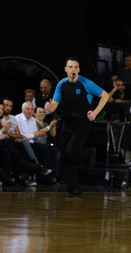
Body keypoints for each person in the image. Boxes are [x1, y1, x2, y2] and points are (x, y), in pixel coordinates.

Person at [45, 56, 109, 197]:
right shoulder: (61, 84)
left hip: (82, 123)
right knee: (64, 155)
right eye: (70, 67)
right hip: (67, 123)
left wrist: (95, 113)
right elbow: (54, 105)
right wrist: (49, 108)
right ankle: (74, 188)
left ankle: (88, 153)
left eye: (75, 67)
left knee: (70, 152)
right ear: (66, 69)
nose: (73, 69)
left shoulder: (86, 83)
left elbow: (105, 95)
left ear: (78, 69)